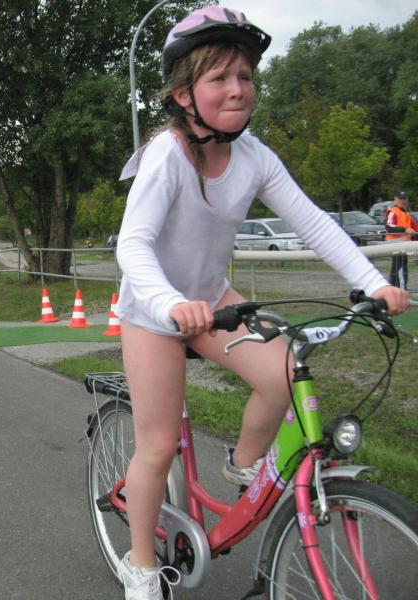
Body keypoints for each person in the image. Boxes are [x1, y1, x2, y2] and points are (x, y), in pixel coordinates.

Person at [114, 7, 410, 600]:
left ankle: (244, 467)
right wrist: (169, 303)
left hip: (211, 300)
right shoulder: (167, 155)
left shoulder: (254, 157)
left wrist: (371, 281)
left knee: (285, 374)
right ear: (183, 94)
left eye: (245, 76)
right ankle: (140, 565)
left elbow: (314, 224)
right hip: (154, 311)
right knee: (158, 446)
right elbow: (133, 244)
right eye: (219, 77)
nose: (237, 88)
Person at [385, 191, 417, 289]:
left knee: (399, 268)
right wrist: (405, 229)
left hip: (404, 244)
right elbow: (389, 226)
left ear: (407, 200)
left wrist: (410, 230)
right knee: (400, 269)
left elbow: (415, 227)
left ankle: (394, 290)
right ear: (395, 199)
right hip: (396, 244)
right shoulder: (393, 211)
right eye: (400, 199)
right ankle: (401, 290)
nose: (402, 201)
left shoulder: (406, 213)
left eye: (404, 199)